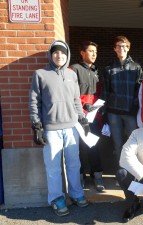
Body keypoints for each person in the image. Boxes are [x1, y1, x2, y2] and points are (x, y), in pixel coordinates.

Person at [29, 40, 89, 216]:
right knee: (53, 166)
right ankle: (56, 199)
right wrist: (36, 126)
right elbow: (34, 101)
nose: (59, 55)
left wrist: (82, 120)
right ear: (50, 54)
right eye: (56, 52)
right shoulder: (40, 74)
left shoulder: (71, 75)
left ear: (67, 55)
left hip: (71, 128)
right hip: (51, 128)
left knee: (73, 163)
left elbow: (76, 100)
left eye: (62, 53)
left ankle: (76, 194)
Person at [102, 35, 143, 175]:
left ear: (128, 48)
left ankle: (134, 172)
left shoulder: (136, 68)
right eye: (119, 46)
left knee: (133, 144)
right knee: (118, 144)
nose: (121, 48)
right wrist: (105, 113)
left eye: (124, 46)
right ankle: (121, 173)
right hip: (113, 113)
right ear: (115, 49)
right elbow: (105, 93)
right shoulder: (108, 69)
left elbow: (140, 91)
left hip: (130, 113)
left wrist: (135, 108)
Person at [70, 41, 105, 192]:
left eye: (95, 52)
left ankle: (97, 177)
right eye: (90, 51)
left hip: (94, 117)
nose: (93, 54)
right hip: (78, 117)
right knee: (77, 149)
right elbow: (71, 93)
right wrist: (82, 108)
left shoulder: (97, 71)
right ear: (82, 53)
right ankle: (79, 178)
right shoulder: (74, 69)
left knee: (94, 147)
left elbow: (100, 94)